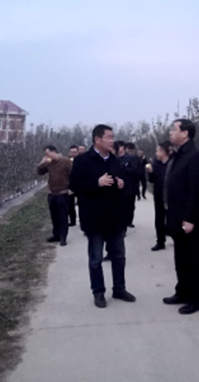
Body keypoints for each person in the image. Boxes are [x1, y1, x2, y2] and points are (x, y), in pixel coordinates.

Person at [69, 125, 136, 308]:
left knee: (119, 256)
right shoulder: (83, 160)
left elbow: (121, 183)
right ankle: (98, 292)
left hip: (115, 217)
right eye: (109, 137)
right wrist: (96, 183)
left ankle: (119, 288)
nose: (112, 140)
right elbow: (74, 185)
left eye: (113, 137)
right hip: (94, 217)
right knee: (96, 259)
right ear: (97, 139)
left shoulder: (115, 160)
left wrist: (121, 184)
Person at [163, 119, 199, 315]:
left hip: (190, 219)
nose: (170, 132)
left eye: (174, 129)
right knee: (180, 258)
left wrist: (189, 219)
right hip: (176, 215)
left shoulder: (196, 155)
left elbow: (195, 190)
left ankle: (196, 299)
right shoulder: (178, 154)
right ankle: (182, 292)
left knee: (193, 260)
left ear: (185, 133)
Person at [37, 145, 72, 246]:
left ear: (54, 152)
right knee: (54, 216)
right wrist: (42, 163)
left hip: (63, 192)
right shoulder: (49, 162)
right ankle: (56, 234)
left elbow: (73, 174)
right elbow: (40, 172)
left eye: (48, 154)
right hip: (52, 193)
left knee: (63, 216)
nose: (47, 156)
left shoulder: (66, 161)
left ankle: (63, 237)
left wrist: (72, 188)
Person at [146, 140, 172, 251]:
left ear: (163, 152)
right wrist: (150, 173)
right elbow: (152, 180)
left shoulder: (173, 163)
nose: (156, 153)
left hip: (171, 196)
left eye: (157, 151)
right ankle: (160, 241)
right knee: (159, 219)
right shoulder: (156, 163)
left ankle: (176, 237)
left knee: (173, 219)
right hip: (158, 195)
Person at [122, 142, 141, 228]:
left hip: (133, 184)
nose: (130, 153)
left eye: (132, 151)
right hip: (124, 184)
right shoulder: (122, 158)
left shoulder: (136, 159)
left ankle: (129, 220)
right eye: (129, 151)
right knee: (124, 205)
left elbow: (139, 170)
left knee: (131, 205)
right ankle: (124, 220)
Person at [67, 145, 79, 227]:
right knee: (70, 205)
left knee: (83, 205)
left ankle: (83, 221)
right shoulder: (67, 161)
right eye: (72, 152)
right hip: (70, 185)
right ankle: (72, 221)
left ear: (78, 152)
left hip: (80, 185)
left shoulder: (82, 160)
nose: (73, 154)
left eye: (75, 152)